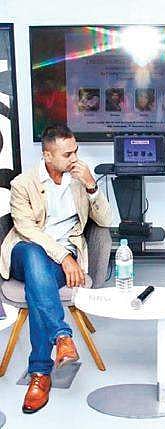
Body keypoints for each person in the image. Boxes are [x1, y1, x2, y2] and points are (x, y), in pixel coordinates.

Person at [0, 124, 112, 413]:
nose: (74, 158)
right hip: (26, 252)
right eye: (67, 154)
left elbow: (107, 221)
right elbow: (26, 230)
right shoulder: (23, 184)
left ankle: (40, 372)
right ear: (47, 155)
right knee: (35, 255)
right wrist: (64, 256)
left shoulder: (79, 180)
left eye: (76, 151)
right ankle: (62, 335)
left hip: (60, 261)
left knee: (40, 287)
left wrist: (91, 185)